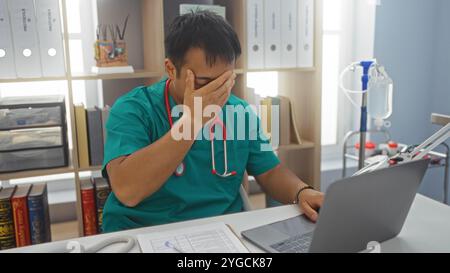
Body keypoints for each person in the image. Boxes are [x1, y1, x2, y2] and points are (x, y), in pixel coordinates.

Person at [102, 11, 323, 233]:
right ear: (170, 69)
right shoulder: (134, 109)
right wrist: (192, 121)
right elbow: (127, 190)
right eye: (203, 82)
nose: (215, 93)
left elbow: (270, 171)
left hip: (219, 231)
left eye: (224, 81)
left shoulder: (240, 112)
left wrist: (301, 191)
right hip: (141, 230)